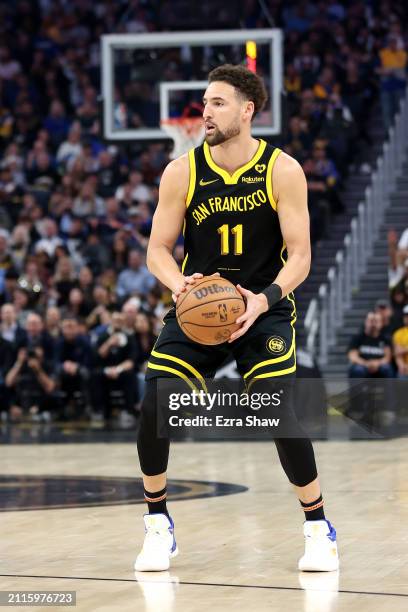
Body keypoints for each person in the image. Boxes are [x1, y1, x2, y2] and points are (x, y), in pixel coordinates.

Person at [134, 64, 339, 573]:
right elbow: (157, 249)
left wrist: (262, 300)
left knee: (275, 409)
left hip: (262, 308)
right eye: (205, 103)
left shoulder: (282, 170)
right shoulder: (181, 170)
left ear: (248, 111)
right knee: (155, 400)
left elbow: (301, 257)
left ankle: (318, 528)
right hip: (201, 304)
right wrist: (178, 284)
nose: (205, 112)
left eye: (218, 103)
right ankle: (158, 523)